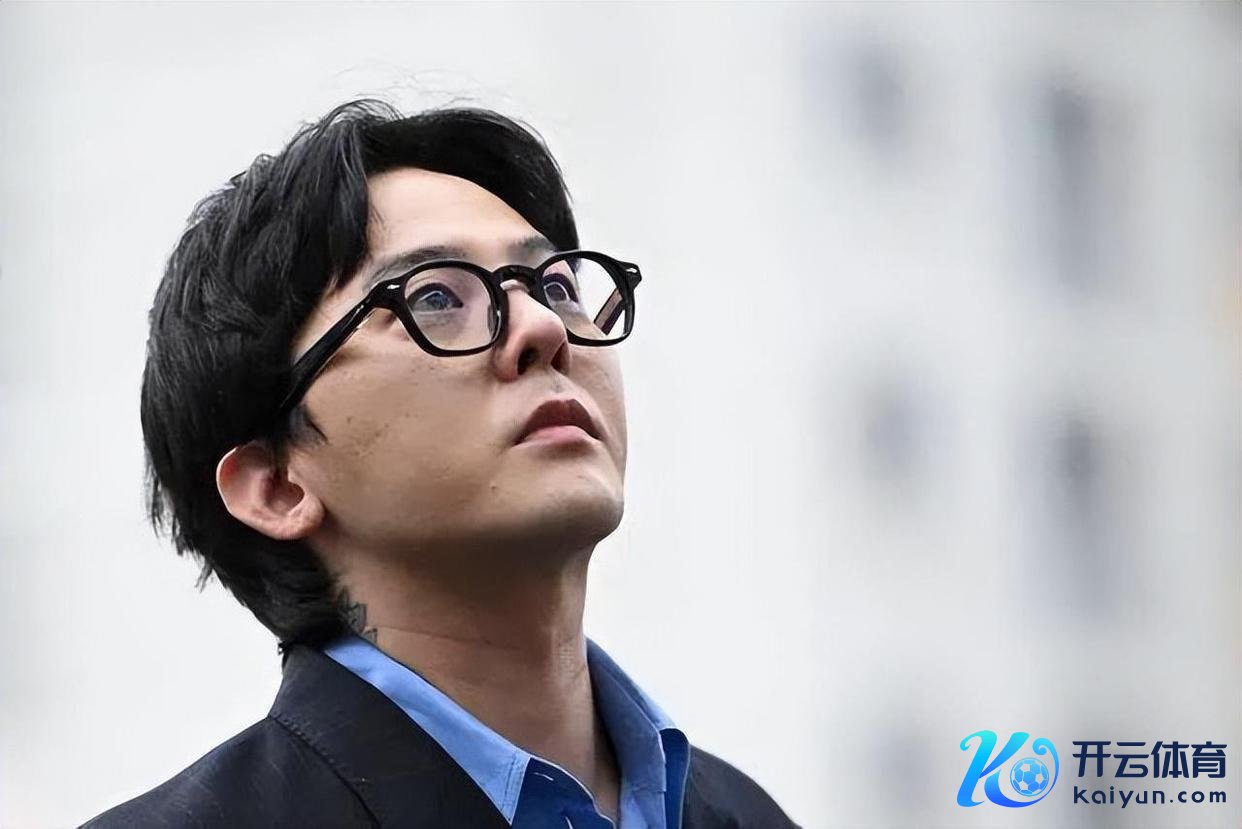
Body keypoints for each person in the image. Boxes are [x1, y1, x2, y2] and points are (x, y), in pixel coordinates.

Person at [82, 99, 799, 829]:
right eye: (434, 296)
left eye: (556, 287)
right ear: (278, 484)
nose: (543, 328)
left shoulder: (752, 816)